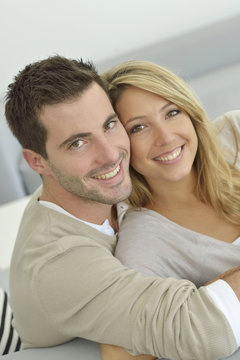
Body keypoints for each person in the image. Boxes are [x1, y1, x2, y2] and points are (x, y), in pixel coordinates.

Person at [5, 55, 240, 360]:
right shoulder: (61, 263)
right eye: (78, 143)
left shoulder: (104, 181)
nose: (110, 155)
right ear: (37, 162)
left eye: (110, 125)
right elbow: (198, 330)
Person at [100, 60, 240, 359]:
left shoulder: (234, 133)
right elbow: (120, 350)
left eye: (172, 112)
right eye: (138, 128)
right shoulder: (145, 242)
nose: (165, 138)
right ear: (119, 145)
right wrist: (208, 295)